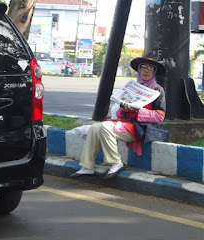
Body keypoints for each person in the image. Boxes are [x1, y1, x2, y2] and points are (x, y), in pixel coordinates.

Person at [70, 52, 166, 180]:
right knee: (94, 128)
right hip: (123, 123)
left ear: (154, 72)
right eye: (143, 67)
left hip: (139, 128)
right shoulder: (133, 86)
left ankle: (116, 162)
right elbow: (121, 110)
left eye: (150, 68)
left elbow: (160, 116)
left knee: (105, 127)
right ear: (139, 69)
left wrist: (138, 111)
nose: (146, 71)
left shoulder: (158, 89)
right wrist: (124, 107)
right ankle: (87, 167)